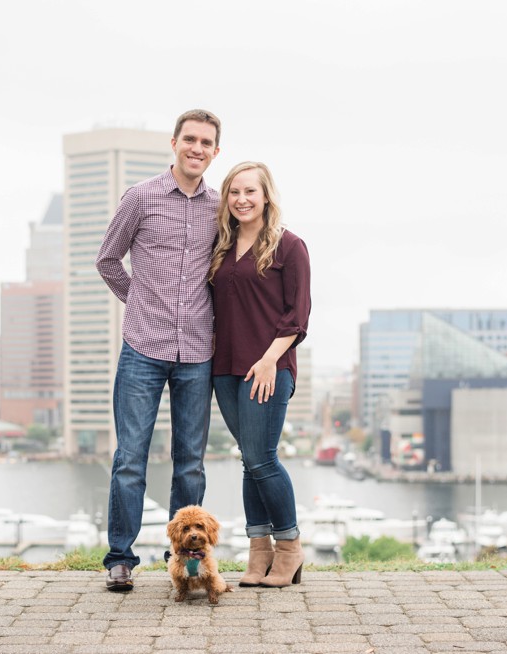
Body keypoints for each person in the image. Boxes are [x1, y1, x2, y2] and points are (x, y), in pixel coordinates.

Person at [95, 109, 222, 592]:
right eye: (189, 139)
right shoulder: (141, 197)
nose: (196, 148)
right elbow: (107, 260)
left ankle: (186, 564)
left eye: (206, 142)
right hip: (142, 348)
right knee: (131, 457)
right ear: (174, 143)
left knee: (190, 460)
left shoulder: (219, 206)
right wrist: (140, 302)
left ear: (215, 152)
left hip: (197, 350)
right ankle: (120, 559)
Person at [208, 161, 311, 588]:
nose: (242, 200)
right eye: (234, 192)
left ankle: (289, 549)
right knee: (249, 461)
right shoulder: (220, 245)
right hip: (225, 369)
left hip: (268, 367)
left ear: (266, 195)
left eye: (250, 191)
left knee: (263, 459)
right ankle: (258, 552)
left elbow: (298, 315)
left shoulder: (289, 246)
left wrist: (270, 359)